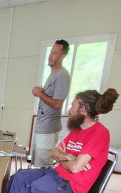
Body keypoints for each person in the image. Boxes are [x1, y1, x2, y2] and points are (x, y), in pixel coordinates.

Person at [0, 88, 119, 193]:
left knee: (27, 187)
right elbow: (54, 152)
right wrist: (65, 157)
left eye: (73, 106)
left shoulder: (99, 133)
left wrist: (68, 162)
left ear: (83, 110)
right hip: (56, 173)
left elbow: (75, 168)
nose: (69, 110)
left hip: (71, 185)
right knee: (17, 178)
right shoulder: (77, 129)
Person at [32, 39, 71, 168]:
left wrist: (40, 94)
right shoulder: (53, 74)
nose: (50, 55)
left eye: (55, 53)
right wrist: (43, 92)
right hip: (42, 127)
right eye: (50, 52)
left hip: (48, 128)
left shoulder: (62, 76)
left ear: (62, 56)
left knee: (43, 165)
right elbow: (51, 97)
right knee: (38, 162)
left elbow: (58, 104)